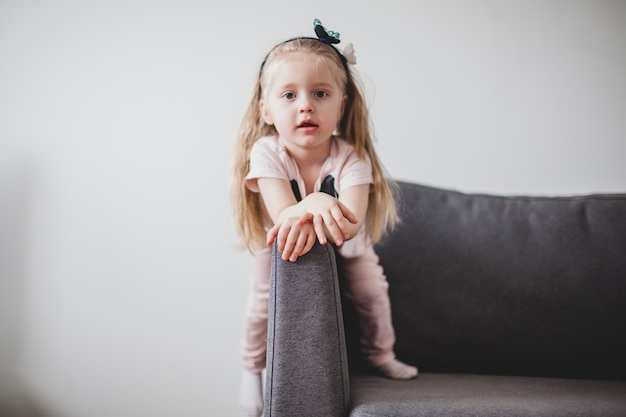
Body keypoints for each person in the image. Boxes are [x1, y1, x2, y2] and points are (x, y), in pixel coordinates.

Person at [230, 19, 418, 417]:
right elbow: (283, 215)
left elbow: (350, 223)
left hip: (348, 242)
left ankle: (380, 353)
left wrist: (315, 205)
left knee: (371, 291)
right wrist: (313, 203)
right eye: (289, 95)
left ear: (342, 104)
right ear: (266, 109)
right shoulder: (267, 153)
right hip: (279, 242)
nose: (305, 105)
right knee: (259, 304)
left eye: (320, 93)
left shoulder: (352, 157)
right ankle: (251, 369)